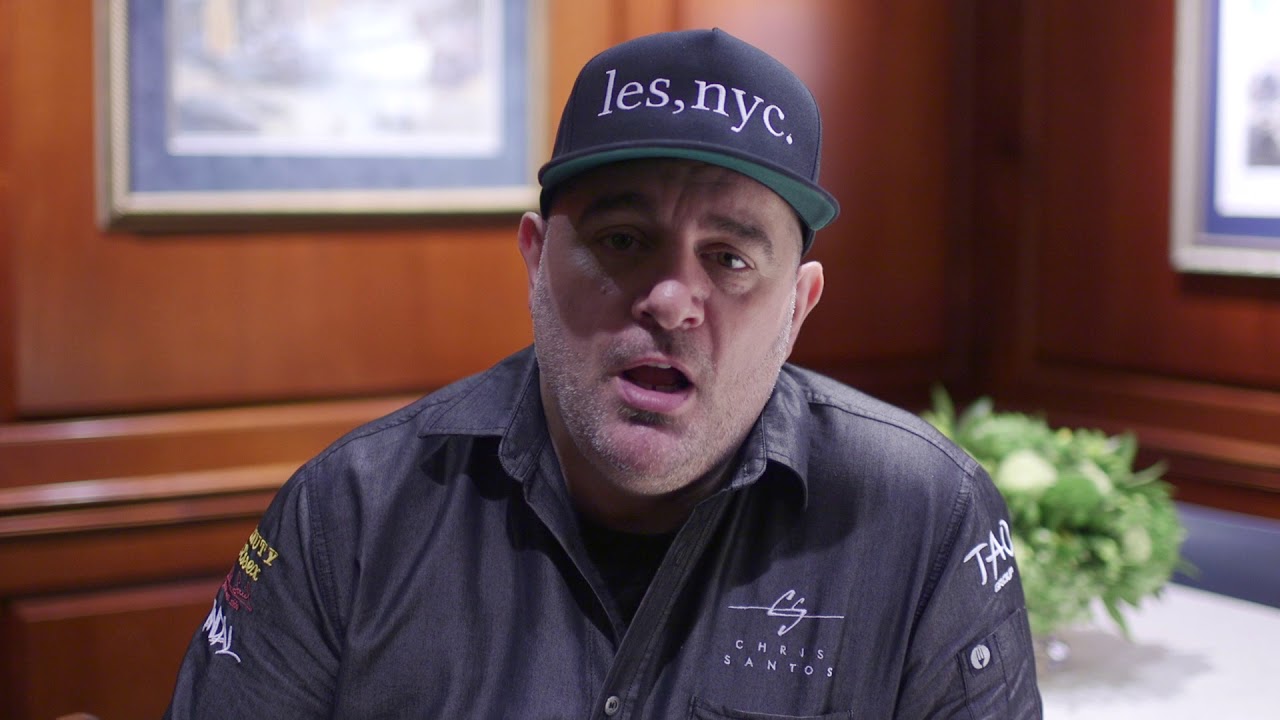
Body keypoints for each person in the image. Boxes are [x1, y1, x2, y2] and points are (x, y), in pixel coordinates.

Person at [166, 28, 1042, 718]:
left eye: (731, 259)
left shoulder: (926, 516)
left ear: (797, 309)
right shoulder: (350, 512)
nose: (671, 299)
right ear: (536, 258)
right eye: (624, 241)